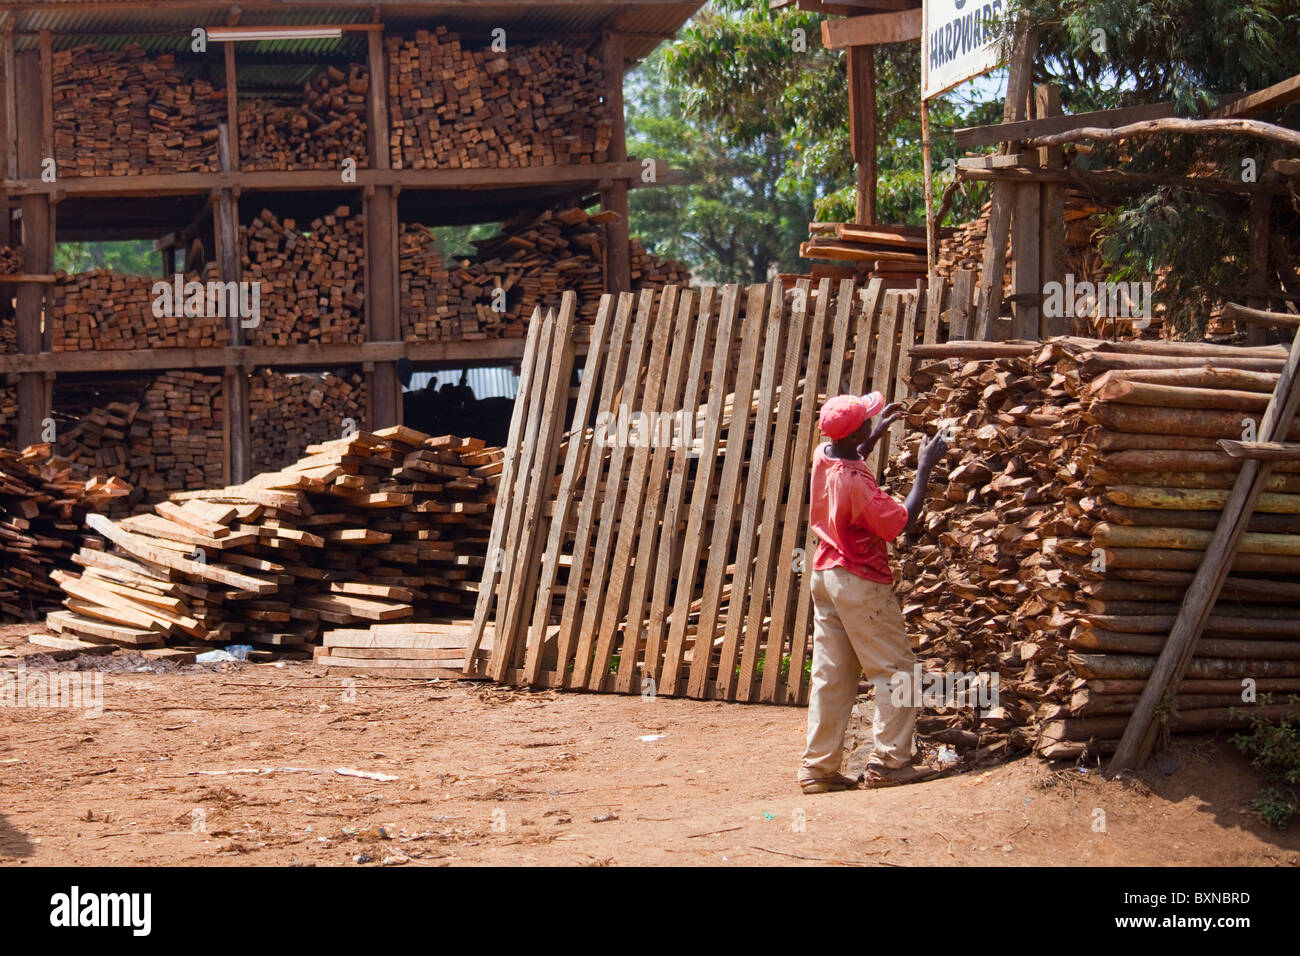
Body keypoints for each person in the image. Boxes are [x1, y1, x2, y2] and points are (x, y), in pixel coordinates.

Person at [798, 390, 948, 794]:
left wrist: (874, 437)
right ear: (854, 431)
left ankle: (819, 769)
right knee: (897, 671)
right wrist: (924, 469)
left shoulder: (824, 454)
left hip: (825, 576)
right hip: (859, 581)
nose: (871, 420)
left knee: (831, 675)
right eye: (868, 419)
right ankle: (890, 763)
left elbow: (849, 452)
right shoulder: (857, 486)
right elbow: (899, 522)